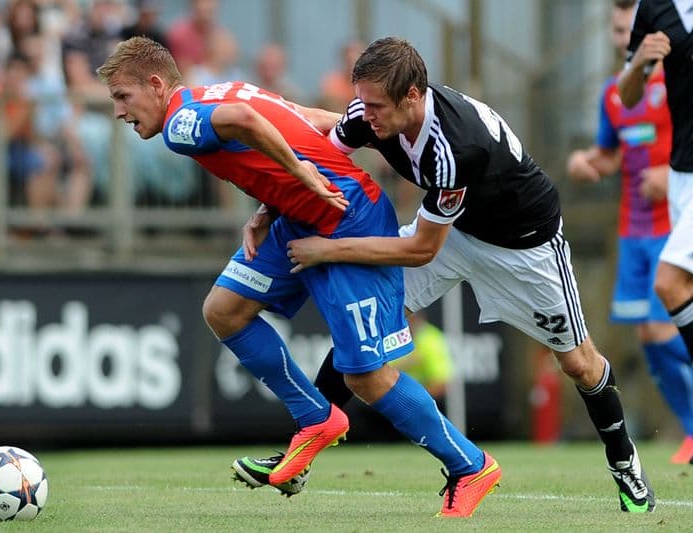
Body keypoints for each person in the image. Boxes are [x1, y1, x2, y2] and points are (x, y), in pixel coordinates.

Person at [236, 37, 655, 513]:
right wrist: (269, 209)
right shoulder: (369, 114)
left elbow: (418, 249)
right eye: (362, 102)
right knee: (365, 328)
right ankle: (301, 455)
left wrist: (327, 249)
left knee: (578, 363)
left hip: (524, 247)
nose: (363, 115)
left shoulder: (455, 146)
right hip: (455, 231)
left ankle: (626, 466)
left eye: (376, 106)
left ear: (412, 95)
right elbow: (317, 164)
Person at [97, 37, 500, 517]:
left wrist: (303, 174)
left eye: (123, 97)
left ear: (157, 84)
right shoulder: (220, 90)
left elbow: (250, 124)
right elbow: (298, 115)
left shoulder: (181, 125)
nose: (120, 112)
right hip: (300, 216)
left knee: (366, 378)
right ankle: (315, 416)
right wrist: (275, 200)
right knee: (224, 310)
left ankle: (470, 465)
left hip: (346, 217)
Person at [568, 0, 693, 465]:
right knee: (649, 336)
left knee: (664, 327)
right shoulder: (616, 92)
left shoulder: (677, 73)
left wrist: (665, 170)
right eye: (619, 32)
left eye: (628, 30)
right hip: (632, 229)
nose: (624, 38)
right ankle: (690, 429)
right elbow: (610, 154)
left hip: (672, 219)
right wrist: (587, 163)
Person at [618, 1, 693, 422]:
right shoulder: (654, 8)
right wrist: (640, 63)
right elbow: (629, 97)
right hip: (682, 177)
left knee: (670, 282)